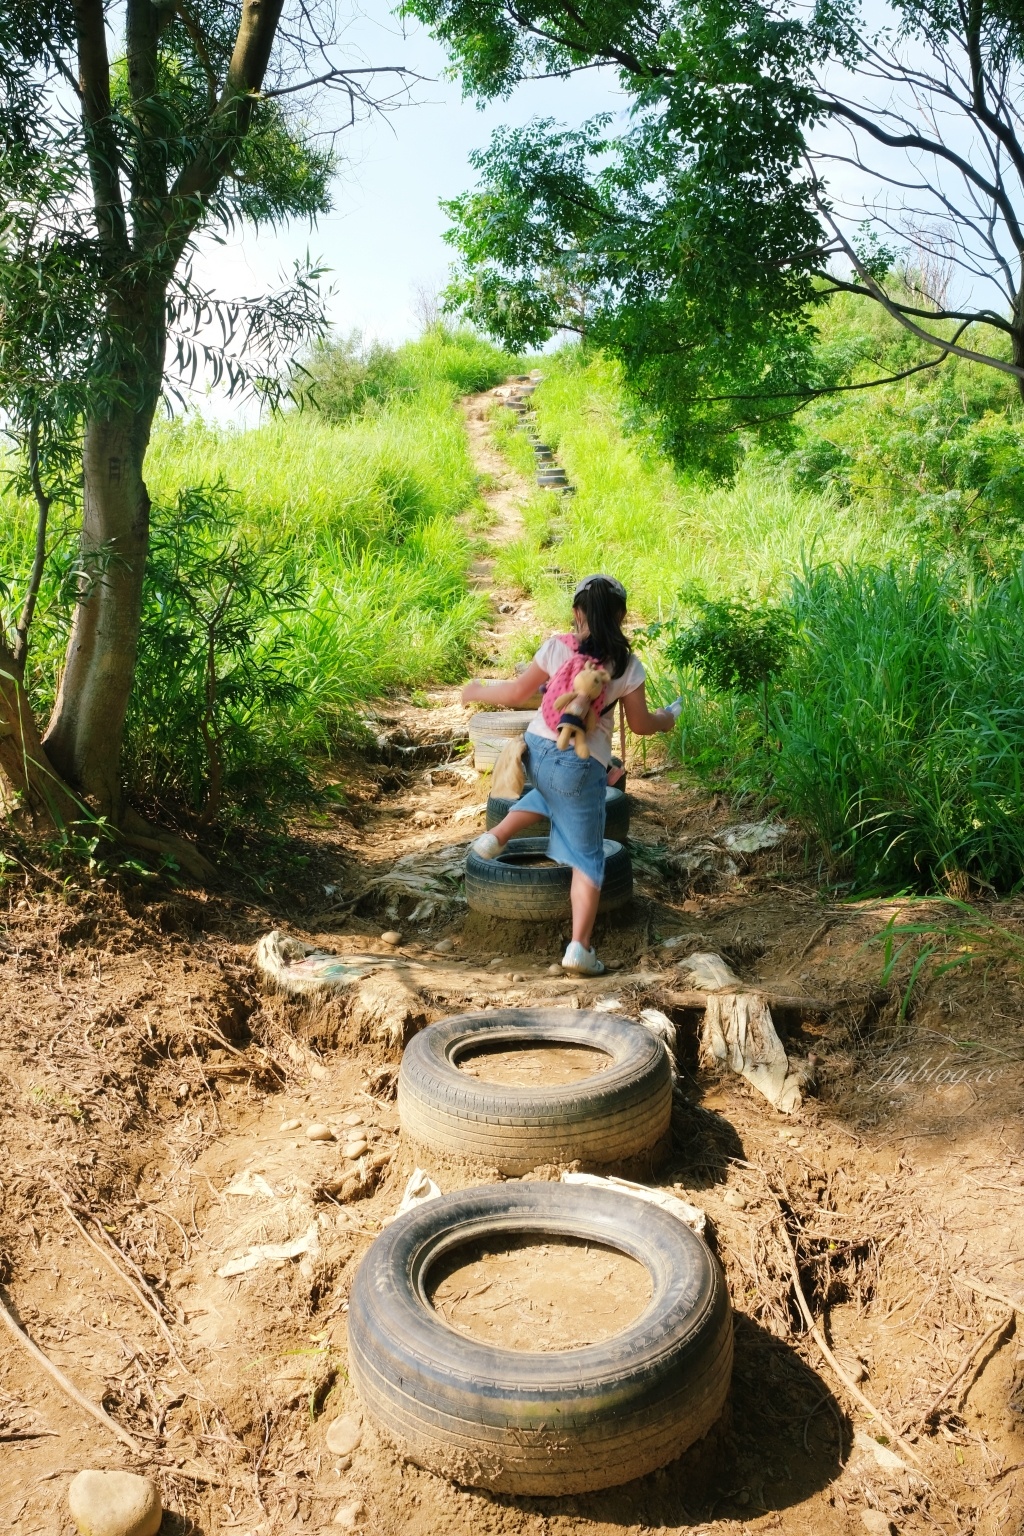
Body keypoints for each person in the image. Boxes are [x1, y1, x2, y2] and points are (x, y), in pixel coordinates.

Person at [462, 574, 681, 976]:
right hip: (579, 765)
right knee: (589, 859)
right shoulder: (627, 665)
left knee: (552, 793)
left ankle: (497, 836)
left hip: (536, 749)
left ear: (577, 612)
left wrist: (477, 690)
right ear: (621, 615)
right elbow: (640, 724)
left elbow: (515, 694)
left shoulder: (557, 646)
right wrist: (666, 719)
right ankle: (579, 948)